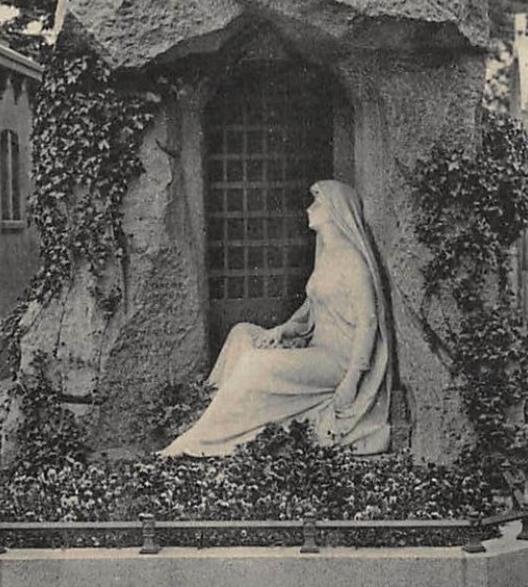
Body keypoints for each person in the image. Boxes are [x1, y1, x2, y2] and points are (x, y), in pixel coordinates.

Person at [160, 180, 392, 457]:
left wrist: (352, 380)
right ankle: (206, 415)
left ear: (335, 209)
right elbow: (311, 310)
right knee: (242, 335)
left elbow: (368, 323)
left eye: (316, 202)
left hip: (336, 362)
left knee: (254, 362)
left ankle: (203, 439)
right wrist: (284, 330)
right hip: (315, 351)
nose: (309, 208)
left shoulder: (353, 262)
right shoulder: (328, 256)